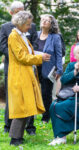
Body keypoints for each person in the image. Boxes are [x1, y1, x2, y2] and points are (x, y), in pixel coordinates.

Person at [8, 11, 50, 146]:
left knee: (26, 106)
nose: (29, 27)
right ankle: (15, 139)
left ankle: (18, 137)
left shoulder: (22, 36)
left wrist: (40, 55)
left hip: (26, 75)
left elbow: (27, 53)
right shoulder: (14, 36)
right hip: (19, 76)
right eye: (27, 24)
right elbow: (22, 57)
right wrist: (40, 58)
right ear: (20, 23)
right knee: (21, 107)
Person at [0, 1, 38, 135]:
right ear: (13, 14)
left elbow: (34, 45)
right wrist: (15, 56)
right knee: (15, 99)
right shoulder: (8, 30)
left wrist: (33, 57)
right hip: (14, 67)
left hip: (28, 67)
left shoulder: (29, 28)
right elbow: (4, 46)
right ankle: (10, 127)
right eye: (18, 11)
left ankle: (29, 127)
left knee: (28, 98)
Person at [37, 14, 63, 123]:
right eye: (42, 19)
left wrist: (59, 70)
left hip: (49, 69)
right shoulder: (36, 35)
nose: (44, 21)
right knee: (35, 92)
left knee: (46, 93)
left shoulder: (55, 37)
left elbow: (59, 53)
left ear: (51, 24)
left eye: (47, 20)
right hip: (34, 67)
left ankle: (46, 117)